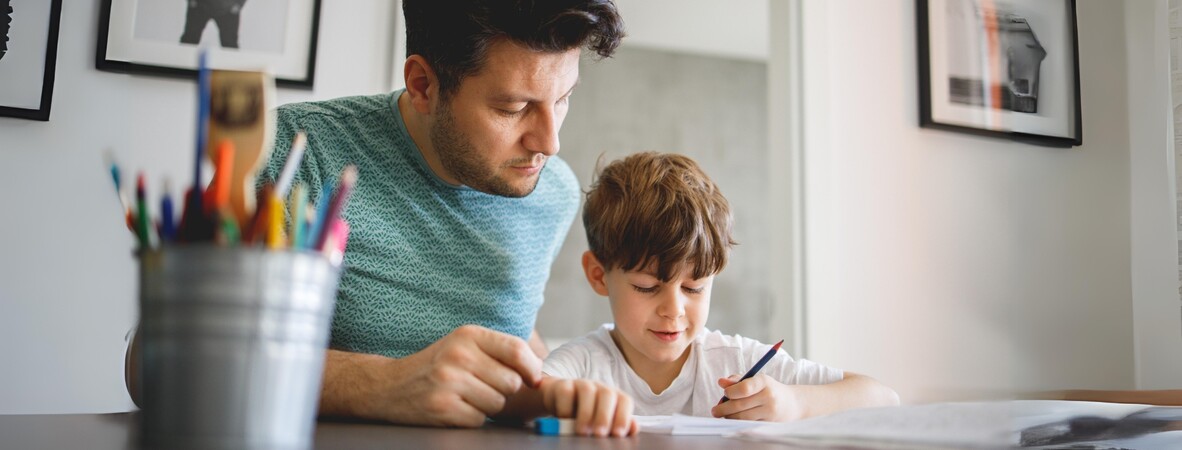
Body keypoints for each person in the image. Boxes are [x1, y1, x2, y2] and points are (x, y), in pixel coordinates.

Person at [258, 0, 632, 432]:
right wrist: (383, 384)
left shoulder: (554, 193)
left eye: (563, 98)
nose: (549, 143)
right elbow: (199, 355)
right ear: (423, 86)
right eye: (512, 109)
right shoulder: (294, 154)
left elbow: (511, 334)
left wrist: (554, 393)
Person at [543, 152, 901, 420]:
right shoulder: (583, 364)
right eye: (647, 286)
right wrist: (565, 400)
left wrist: (794, 402)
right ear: (597, 275)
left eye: (694, 287)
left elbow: (883, 397)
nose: (674, 310)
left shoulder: (735, 361)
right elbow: (524, 397)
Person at [180, 0, 247, 49]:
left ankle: (231, 66)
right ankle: (181, 65)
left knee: (229, 44)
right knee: (189, 40)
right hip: (199, 6)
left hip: (228, 9)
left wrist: (239, 4)